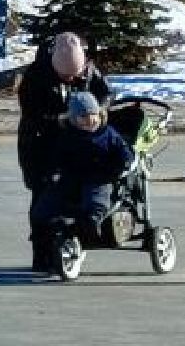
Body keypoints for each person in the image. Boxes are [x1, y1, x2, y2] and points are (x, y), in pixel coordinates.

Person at [17, 31, 111, 270]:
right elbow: (32, 114)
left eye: (75, 75)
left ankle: (69, 242)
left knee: (76, 190)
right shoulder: (35, 77)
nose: (71, 79)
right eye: (65, 76)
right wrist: (57, 120)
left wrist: (99, 110)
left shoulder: (89, 71)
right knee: (43, 195)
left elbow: (105, 94)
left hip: (74, 144)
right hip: (38, 143)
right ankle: (42, 253)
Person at [30, 91, 136, 272]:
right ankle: (50, 225)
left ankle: (90, 225)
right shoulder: (67, 136)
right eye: (83, 117)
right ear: (73, 120)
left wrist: (124, 163)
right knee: (49, 201)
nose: (90, 120)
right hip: (72, 177)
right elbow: (57, 157)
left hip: (100, 177)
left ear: (99, 114)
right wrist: (53, 172)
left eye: (93, 115)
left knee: (95, 199)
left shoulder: (108, 134)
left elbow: (124, 152)